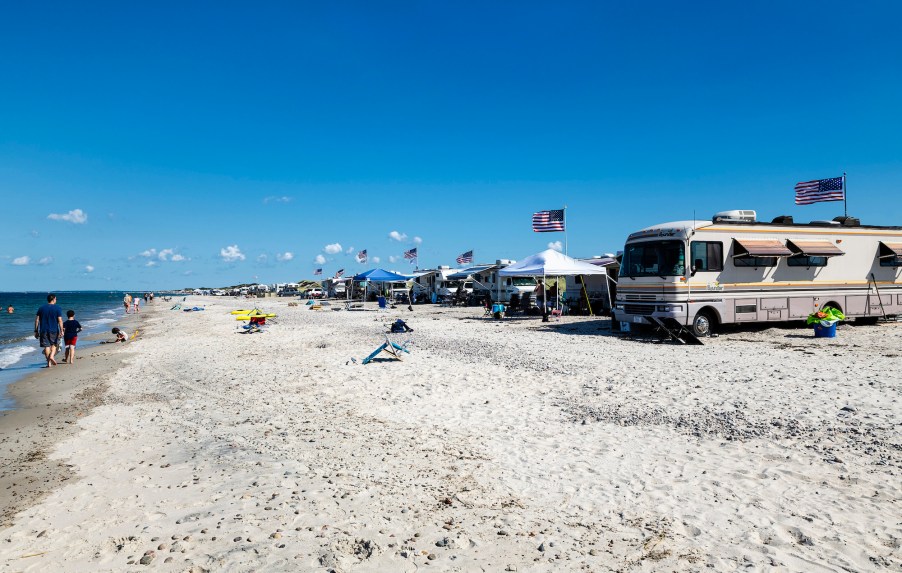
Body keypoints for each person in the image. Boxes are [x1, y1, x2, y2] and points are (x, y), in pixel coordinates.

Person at [34, 293, 64, 368]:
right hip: (54, 330)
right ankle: (51, 356)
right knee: (54, 345)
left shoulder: (41, 308)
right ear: (54, 299)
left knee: (46, 346)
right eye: (56, 299)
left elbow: (37, 320)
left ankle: (48, 364)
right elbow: (60, 320)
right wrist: (62, 330)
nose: (56, 300)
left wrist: (36, 330)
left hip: (43, 330)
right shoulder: (57, 308)